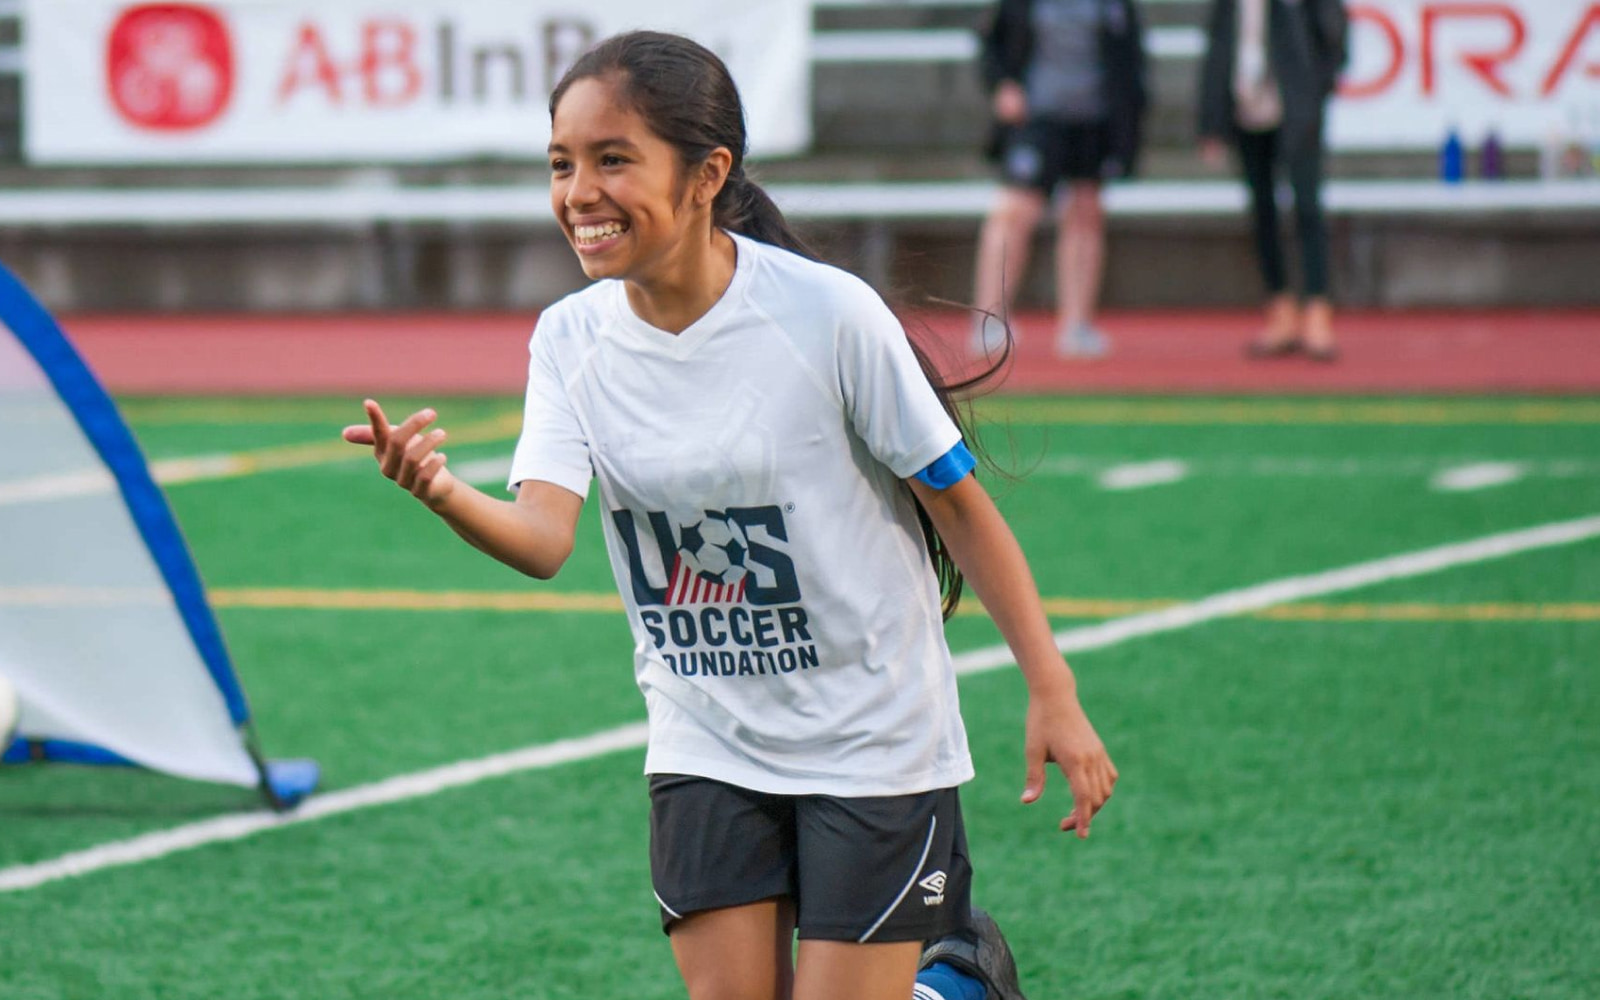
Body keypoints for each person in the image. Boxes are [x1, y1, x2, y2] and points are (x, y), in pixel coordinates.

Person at [343, 31, 1116, 1000]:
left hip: (870, 736)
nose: (578, 192)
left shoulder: (826, 316)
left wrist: (1053, 689)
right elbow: (543, 539)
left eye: (612, 159)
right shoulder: (569, 337)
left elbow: (958, 507)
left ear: (708, 173)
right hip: (705, 731)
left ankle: (955, 980)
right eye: (561, 163)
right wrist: (440, 489)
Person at [971, 0, 1146, 359]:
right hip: (1037, 119)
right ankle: (989, 319)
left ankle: (1077, 325)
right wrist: (1003, 85)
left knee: (1085, 213)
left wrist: (1126, 131)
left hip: (1093, 121)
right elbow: (991, 44)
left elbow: (1130, 61)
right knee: (1013, 213)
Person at [1198, 0, 1348, 361]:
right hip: (1247, 109)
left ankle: (1316, 309)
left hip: (1296, 109)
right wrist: (1211, 120)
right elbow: (1219, 47)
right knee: (1262, 211)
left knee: (1308, 207)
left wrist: (1313, 92)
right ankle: (1279, 307)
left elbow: (1334, 36)